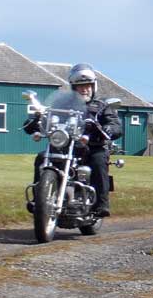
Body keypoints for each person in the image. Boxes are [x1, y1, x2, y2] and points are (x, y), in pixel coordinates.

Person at [25, 63, 122, 216]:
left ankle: (101, 204)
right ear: (73, 88)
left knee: (98, 161)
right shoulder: (61, 104)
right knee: (42, 157)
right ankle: (39, 200)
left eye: (88, 85)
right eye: (80, 86)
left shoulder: (101, 105)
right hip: (66, 144)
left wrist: (108, 129)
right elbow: (48, 116)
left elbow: (114, 124)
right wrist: (36, 121)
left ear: (93, 86)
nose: (84, 89)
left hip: (92, 146)